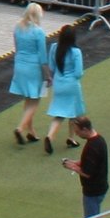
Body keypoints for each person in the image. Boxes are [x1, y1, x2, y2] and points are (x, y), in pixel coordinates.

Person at [9, 3, 51, 146]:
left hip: (20, 64)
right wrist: (48, 74)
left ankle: (31, 131)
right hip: (33, 67)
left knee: (28, 98)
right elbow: (42, 55)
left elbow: (16, 47)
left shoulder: (18, 27)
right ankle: (20, 128)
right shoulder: (38, 32)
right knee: (35, 99)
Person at [44, 22, 87, 154]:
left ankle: (51, 136)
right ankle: (71, 137)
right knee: (74, 112)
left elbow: (51, 67)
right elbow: (78, 72)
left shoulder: (54, 48)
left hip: (59, 84)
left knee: (59, 113)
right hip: (72, 85)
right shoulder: (76, 52)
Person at [65, 116, 109, 218]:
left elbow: (87, 172)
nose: (77, 134)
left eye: (78, 131)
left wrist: (72, 167)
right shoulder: (100, 140)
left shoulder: (92, 147)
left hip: (93, 190)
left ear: (85, 129)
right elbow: (90, 162)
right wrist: (75, 162)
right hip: (101, 187)